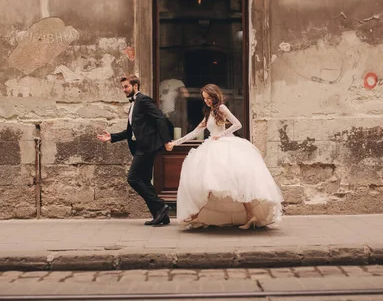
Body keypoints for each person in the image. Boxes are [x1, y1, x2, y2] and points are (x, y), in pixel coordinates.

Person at [168, 84, 283, 229]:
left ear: (214, 96)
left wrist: (220, 135)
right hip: (213, 147)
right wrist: (176, 143)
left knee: (231, 183)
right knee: (212, 184)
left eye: (209, 98)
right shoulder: (209, 113)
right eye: (204, 98)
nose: (207, 101)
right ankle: (242, 215)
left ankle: (200, 216)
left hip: (223, 147)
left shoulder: (221, 108)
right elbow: (195, 132)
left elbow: (237, 124)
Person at [97, 75, 173, 227]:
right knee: (144, 180)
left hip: (146, 147)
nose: (124, 90)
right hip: (141, 147)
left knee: (133, 178)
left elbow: (160, 119)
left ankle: (160, 206)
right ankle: (161, 214)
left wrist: (166, 141)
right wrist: (112, 137)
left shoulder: (143, 100)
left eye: (126, 87)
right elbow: (130, 131)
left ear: (135, 86)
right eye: (123, 87)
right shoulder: (134, 104)